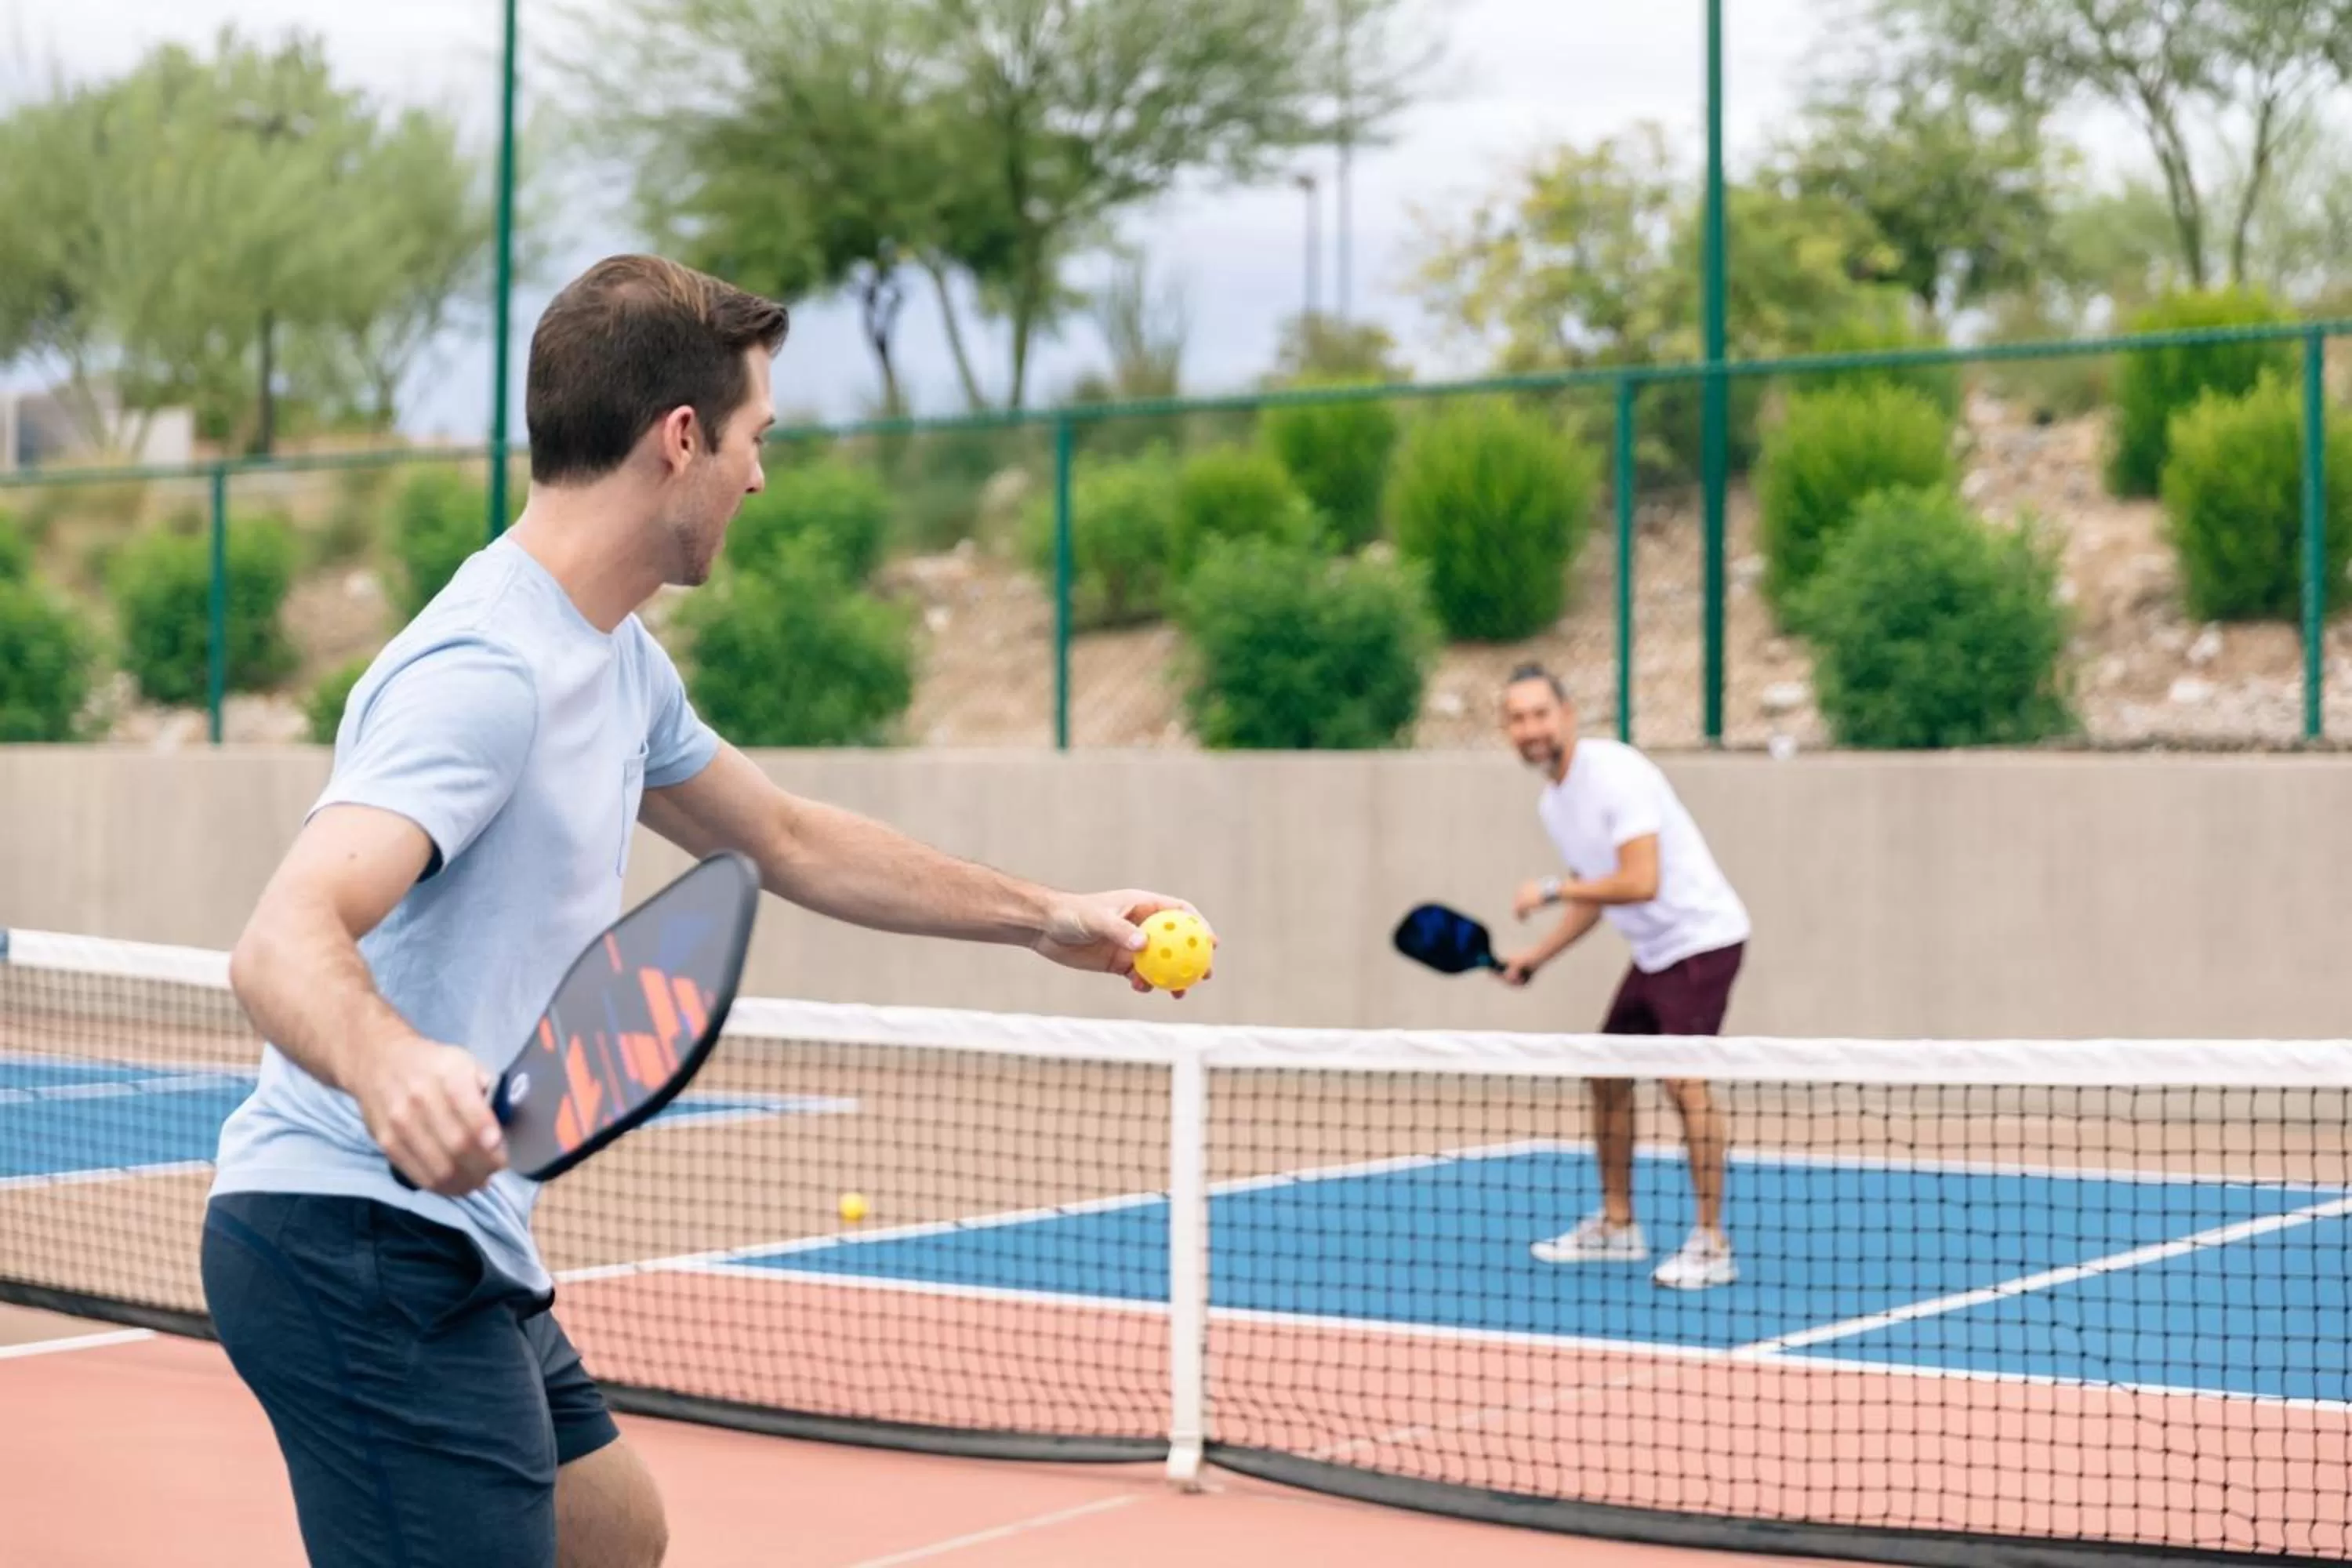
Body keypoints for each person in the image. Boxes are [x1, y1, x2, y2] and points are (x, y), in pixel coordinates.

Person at [198, 254, 1214, 1568]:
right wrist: (388, 1063)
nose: (760, 474)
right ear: (683, 438)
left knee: (613, 1533)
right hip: (351, 1239)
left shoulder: (615, 664)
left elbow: (786, 837)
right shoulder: (484, 674)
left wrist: (1045, 915)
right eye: (757, 439)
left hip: (458, 1235)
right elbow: (280, 936)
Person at [1494, 662, 1746, 1291]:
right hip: (1655, 951)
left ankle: (1712, 1243)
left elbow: (1641, 880)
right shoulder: (1554, 804)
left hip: (1702, 940)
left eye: (1540, 714)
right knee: (1606, 1073)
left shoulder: (1617, 773)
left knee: (1683, 1079)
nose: (1530, 728)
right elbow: (1600, 895)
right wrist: (1538, 956)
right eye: (1517, 718)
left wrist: (1550, 888)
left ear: (1568, 714)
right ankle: (1618, 1223)